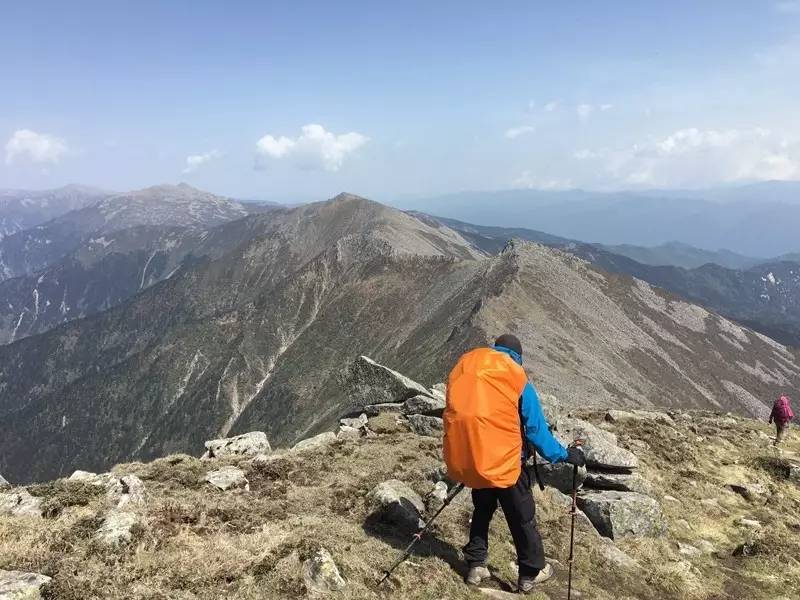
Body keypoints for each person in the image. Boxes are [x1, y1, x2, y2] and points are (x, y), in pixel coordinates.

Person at [443, 334, 585, 594]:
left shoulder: (471, 372)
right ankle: (530, 573)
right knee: (522, 516)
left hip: (476, 460)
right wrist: (565, 454)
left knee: (482, 509)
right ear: (518, 357)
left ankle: (475, 565)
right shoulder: (517, 379)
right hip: (507, 464)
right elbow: (536, 432)